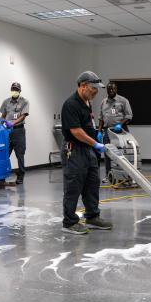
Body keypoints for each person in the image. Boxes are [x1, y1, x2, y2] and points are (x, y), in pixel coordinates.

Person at [60, 71, 113, 235]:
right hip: (74, 150)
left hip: (88, 149)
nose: (96, 92)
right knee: (74, 186)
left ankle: (92, 216)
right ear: (83, 86)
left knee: (92, 183)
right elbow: (76, 131)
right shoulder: (71, 104)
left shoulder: (86, 102)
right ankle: (69, 222)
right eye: (93, 89)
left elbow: (87, 124)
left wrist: (95, 136)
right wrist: (96, 143)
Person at [98, 81, 133, 183]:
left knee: (123, 153)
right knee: (108, 154)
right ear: (107, 90)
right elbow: (101, 118)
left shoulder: (123, 101)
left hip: (120, 131)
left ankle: (125, 176)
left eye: (113, 89)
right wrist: (99, 131)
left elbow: (129, 116)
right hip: (107, 131)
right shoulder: (103, 102)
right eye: (109, 89)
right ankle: (109, 175)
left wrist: (120, 124)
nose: (111, 90)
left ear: (116, 89)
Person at [0, 82, 29, 184]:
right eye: (13, 89)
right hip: (7, 132)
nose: (14, 91)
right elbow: (3, 116)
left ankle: (21, 175)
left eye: (16, 89)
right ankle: (1, 175)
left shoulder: (24, 102)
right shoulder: (6, 102)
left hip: (18, 131)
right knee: (4, 153)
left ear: (20, 91)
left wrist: (13, 122)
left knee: (19, 154)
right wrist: (2, 123)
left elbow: (23, 116)